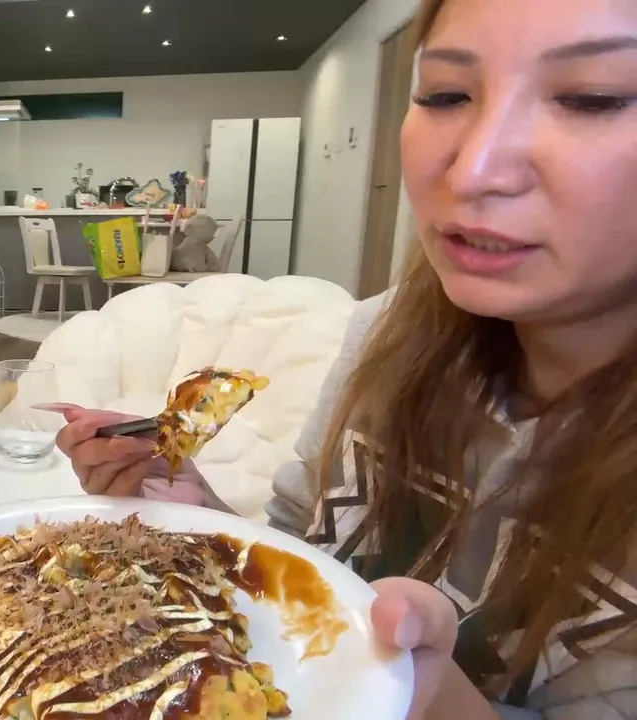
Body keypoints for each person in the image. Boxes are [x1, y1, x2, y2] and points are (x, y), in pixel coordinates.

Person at [51, 0, 637, 717]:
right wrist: (196, 506)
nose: (473, 169)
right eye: (446, 95)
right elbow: (301, 556)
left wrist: (426, 690)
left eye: (593, 98)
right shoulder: (385, 334)